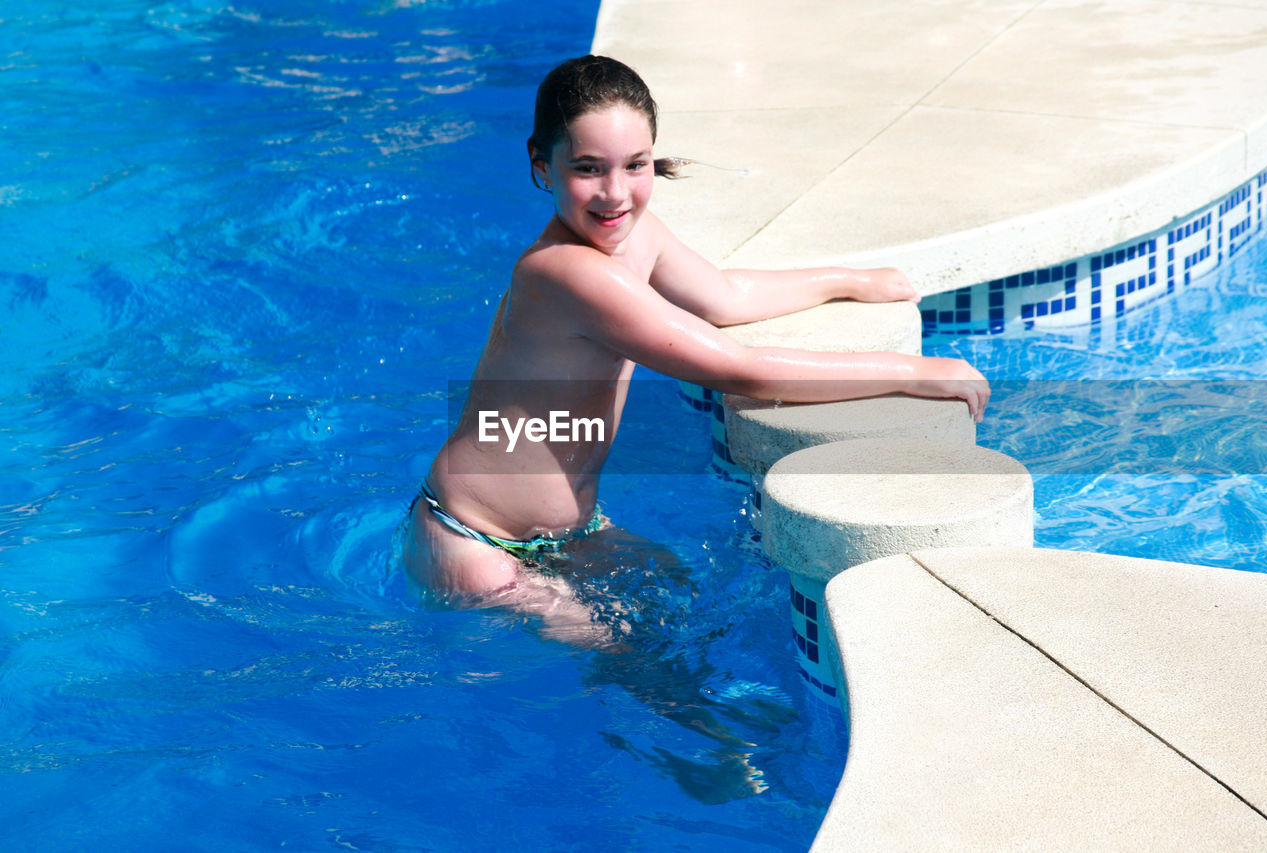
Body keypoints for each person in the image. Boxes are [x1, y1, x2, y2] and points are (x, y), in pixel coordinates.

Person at [404, 55, 989, 631]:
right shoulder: (564, 272)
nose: (616, 194)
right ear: (542, 165)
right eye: (588, 168)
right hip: (477, 545)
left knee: (686, 605)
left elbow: (724, 297)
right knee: (643, 664)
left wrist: (847, 281)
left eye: (634, 166)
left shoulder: (634, 235)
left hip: (570, 534)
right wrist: (911, 372)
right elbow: (742, 371)